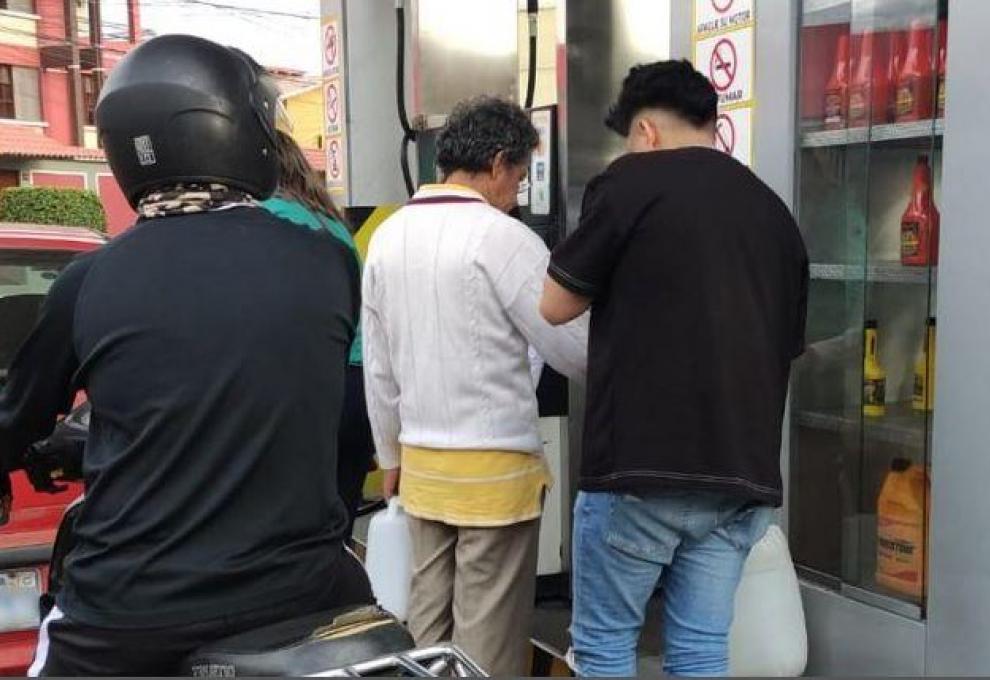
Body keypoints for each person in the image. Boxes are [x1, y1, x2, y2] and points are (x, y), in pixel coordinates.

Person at [0, 35, 372, 676]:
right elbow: (245, 393)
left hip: (127, 621)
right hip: (307, 599)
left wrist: (50, 446)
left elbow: (14, 425)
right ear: (239, 130)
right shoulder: (327, 260)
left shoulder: (89, 283)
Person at [540, 60, 809, 677]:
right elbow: (786, 346)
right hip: (740, 477)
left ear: (645, 132)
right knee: (701, 649)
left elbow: (555, 304)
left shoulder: (630, 181)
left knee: (607, 645)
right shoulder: (774, 214)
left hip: (639, 471)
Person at [362, 96, 587, 675]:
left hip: (422, 470)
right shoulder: (504, 239)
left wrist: (390, 453)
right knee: (486, 639)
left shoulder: (388, 237)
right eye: (516, 174)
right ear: (494, 163)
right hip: (494, 478)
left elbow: (379, 366)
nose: (517, 189)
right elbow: (573, 347)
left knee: (427, 626)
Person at [263, 130, 374, 539]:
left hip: (304, 388)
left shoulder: (258, 218)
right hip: (356, 387)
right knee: (337, 521)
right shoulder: (331, 224)